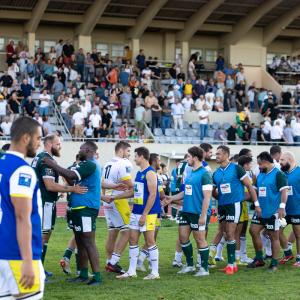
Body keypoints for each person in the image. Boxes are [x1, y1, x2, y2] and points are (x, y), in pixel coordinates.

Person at [42, 141, 103, 285]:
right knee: (80, 242)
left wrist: (54, 165)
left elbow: (71, 174)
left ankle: (97, 277)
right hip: (78, 207)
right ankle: (82, 274)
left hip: (87, 208)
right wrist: (58, 170)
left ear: (87, 149)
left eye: (81, 148)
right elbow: (72, 181)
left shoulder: (91, 164)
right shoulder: (85, 164)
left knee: (89, 242)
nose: (79, 150)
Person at [0, 117, 46, 299]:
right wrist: (27, 260)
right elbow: (21, 217)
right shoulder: (22, 169)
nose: (40, 144)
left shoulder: (2, 162)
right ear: (26, 138)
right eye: (38, 138)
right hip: (17, 254)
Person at [31, 134, 87, 280]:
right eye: (58, 144)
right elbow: (49, 185)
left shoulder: (42, 158)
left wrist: (59, 190)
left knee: (45, 236)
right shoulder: (45, 160)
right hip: (45, 203)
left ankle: (40, 269)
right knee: (42, 237)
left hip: (44, 201)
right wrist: (70, 189)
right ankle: (36, 272)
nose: (60, 146)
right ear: (49, 144)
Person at [107, 147, 161, 280]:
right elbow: (134, 192)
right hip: (136, 212)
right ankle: (131, 271)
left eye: (135, 156)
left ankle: (155, 272)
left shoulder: (150, 173)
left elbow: (153, 195)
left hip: (147, 214)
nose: (134, 158)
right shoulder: (139, 172)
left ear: (142, 157)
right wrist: (116, 197)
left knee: (149, 241)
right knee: (132, 240)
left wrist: (144, 214)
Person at [162, 147, 212, 276]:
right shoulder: (190, 172)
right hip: (186, 211)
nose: (186, 159)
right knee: (183, 237)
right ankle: (190, 266)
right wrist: (171, 198)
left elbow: (207, 196)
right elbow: (186, 192)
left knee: (199, 239)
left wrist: (203, 216)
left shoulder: (205, 173)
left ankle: (204, 269)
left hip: (198, 213)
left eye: (188, 157)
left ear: (195, 158)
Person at [209, 145, 258, 274]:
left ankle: (231, 264)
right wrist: (220, 198)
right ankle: (231, 264)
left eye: (219, 154)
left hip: (234, 205)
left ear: (226, 155)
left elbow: (250, 186)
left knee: (231, 233)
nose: (216, 156)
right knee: (226, 233)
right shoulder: (216, 173)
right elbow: (211, 191)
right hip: (222, 206)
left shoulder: (237, 168)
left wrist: (256, 204)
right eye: (216, 153)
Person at [247, 151, 288, 271]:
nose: (258, 167)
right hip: (260, 211)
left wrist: (281, 207)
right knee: (253, 231)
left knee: (274, 236)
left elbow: (284, 192)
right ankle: (259, 259)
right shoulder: (260, 175)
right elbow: (253, 192)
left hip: (272, 212)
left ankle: (274, 263)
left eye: (260, 164)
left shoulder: (278, 174)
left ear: (267, 163)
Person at [102, 142, 134, 273]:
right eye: (128, 151)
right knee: (127, 232)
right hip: (117, 200)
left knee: (112, 234)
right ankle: (113, 263)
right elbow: (130, 184)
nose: (129, 154)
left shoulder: (108, 163)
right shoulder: (123, 163)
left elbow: (103, 183)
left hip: (108, 200)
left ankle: (109, 261)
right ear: (121, 151)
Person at [278, 152, 300, 266]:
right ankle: (288, 253)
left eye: (282, 160)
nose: (280, 162)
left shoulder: (299, 172)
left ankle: (299, 260)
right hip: (284, 211)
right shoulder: (281, 174)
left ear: (290, 160)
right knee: (277, 231)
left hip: (297, 210)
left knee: (298, 234)